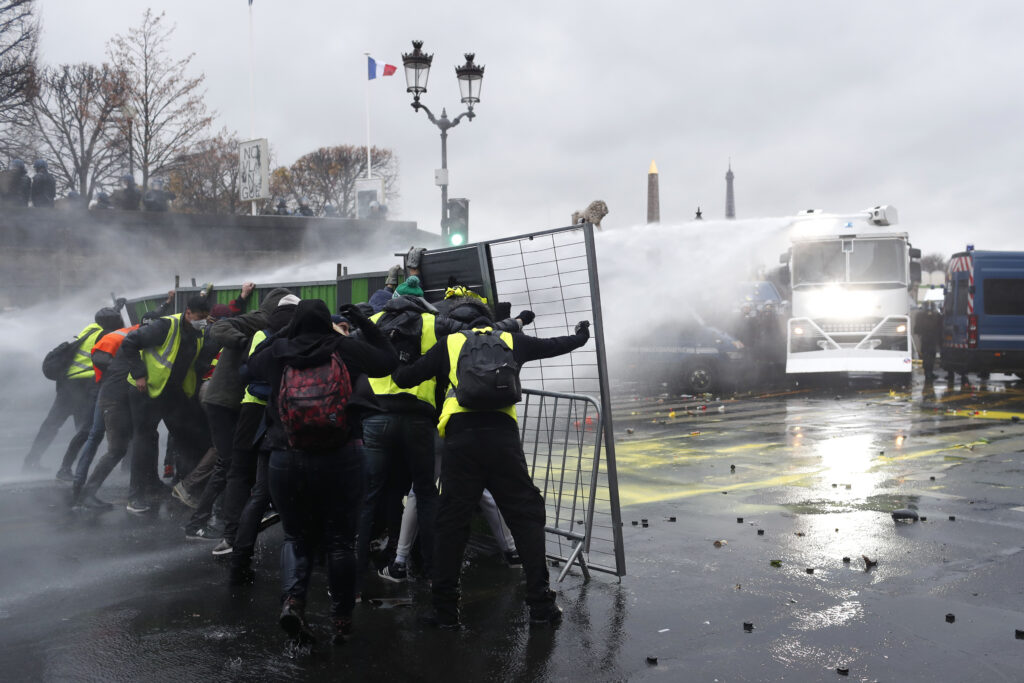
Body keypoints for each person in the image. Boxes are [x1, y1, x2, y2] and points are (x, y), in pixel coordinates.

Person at [391, 310, 591, 629]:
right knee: (525, 514)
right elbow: (554, 344)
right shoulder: (511, 340)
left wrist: (400, 352)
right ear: (490, 324)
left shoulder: (451, 343)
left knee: (451, 522)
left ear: (464, 325)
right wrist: (581, 336)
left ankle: (445, 611)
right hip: (503, 438)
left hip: (460, 439)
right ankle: (541, 604)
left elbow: (404, 378)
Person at [247, 299, 397, 645]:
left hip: (286, 456)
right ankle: (342, 620)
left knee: (296, 537)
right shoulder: (344, 347)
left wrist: (283, 332)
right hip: (342, 455)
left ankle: (293, 601)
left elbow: (249, 367)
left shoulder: (278, 352)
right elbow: (387, 361)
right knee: (341, 541)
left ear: (296, 323)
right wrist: (363, 321)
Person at [182, 287, 293, 541]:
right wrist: (245, 345)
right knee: (228, 463)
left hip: (231, 401)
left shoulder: (267, 323)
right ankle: (198, 524)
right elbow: (219, 328)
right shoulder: (260, 319)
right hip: (223, 400)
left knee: (233, 463)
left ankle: (224, 517)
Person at [121, 296, 214, 513]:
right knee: (144, 439)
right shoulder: (165, 325)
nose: (202, 322)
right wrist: (139, 375)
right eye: (200, 318)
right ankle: (135, 497)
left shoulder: (197, 332)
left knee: (186, 435)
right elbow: (129, 342)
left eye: (205, 318)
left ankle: (176, 486)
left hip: (170, 391)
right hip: (145, 390)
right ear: (188, 313)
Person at [23, 308, 124, 472]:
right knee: (84, 429)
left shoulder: (91, 329)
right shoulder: (107, 335)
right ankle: (73, 467)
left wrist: (116, 308)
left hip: (68, 384)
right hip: (85, 384)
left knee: (52, 425)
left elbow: (105, 323)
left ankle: (31, 462)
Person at [53, 307, 129, 481]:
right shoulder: (110, 337)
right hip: (100, 389)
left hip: (95, 388)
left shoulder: (91, 330)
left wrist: (116, 307)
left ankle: (66, 469)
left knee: (88, 431)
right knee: (91, 432)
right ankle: (69, 470)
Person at [914, 302, 943, 382]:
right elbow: (940, 327)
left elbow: (917, 329)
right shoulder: (937, 315)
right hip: (932, 339)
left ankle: (928, 373)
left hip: (925, 339)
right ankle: (929, 373)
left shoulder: (920, 315)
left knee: (927, 357)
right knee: (930, 357)